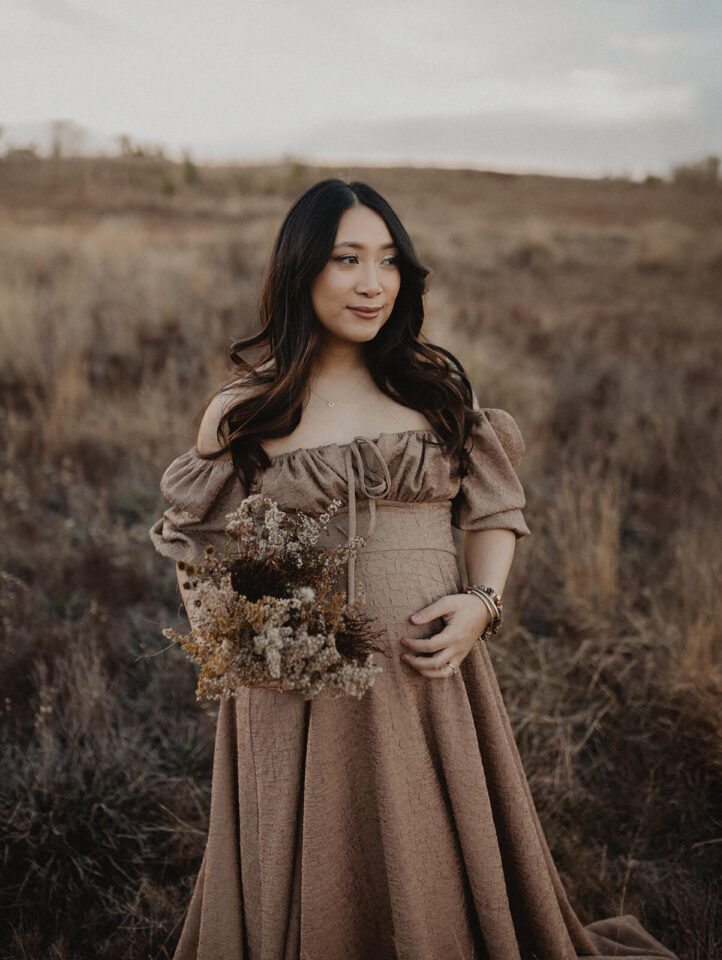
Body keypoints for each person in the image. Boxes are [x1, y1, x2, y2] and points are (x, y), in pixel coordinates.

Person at [149, 178, 678, 960]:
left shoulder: (431, 390)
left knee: (432, 856)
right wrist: (238, 640)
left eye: (389, 260)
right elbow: (194, 541)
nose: (373, 283)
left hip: (426, 680)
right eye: (347, 259)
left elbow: (493, 513)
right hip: (298, 699)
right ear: (300, 269)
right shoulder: (247, 409)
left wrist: (483, 604)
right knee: (319, 868)